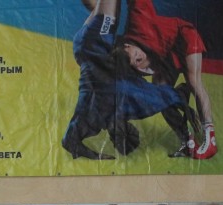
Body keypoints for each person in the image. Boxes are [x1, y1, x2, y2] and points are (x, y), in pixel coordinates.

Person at [63, 0, 196, 160]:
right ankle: (72, 139)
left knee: (107, 13)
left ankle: (73, 140)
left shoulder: (113, 104)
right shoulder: (108, 108)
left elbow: (149, 94)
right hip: (86, 50)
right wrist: (177, 97)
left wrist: (177, 97)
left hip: (94, 46)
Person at [118, 0, 217, 159]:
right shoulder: (126, 65)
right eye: (136, 63)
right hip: (167, 54)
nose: (139, 59)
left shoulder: (138, 22)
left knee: (194, 82)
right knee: (161, 99)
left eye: (137, 56)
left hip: (183, 35)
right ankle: (187, 141)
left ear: (127, 45)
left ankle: (210, 140)